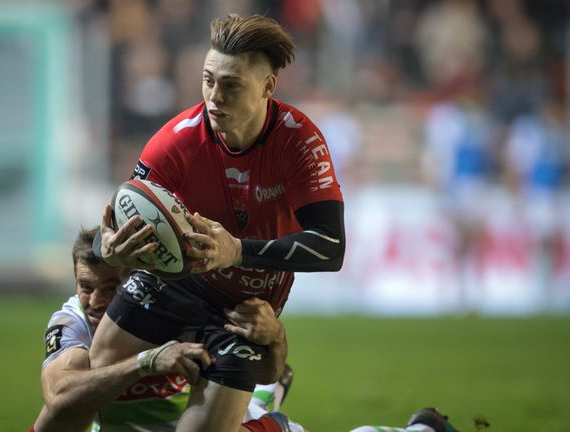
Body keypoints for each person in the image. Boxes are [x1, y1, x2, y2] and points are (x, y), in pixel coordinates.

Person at [90, 13, 345, 431]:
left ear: (267, 87)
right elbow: (116, 224)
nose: (214, 97)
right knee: (98, 374)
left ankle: (268, 416)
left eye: (231, 85)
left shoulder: (299, 141)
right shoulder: (177, 139)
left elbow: (331, 247)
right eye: (208, 80)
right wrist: (110, 248)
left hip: (242, 304)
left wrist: (237, 251)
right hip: (176, 277)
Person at [31, 228, 302, 432]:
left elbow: (266, 372)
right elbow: (59, 399)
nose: (95, 302)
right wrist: (147, 362)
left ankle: (269, 416)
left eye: (111, 289)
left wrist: (276, 338)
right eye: (86, 287)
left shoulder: (173, 302)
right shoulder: (73, 320)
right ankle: (265, 397)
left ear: (137, 278)